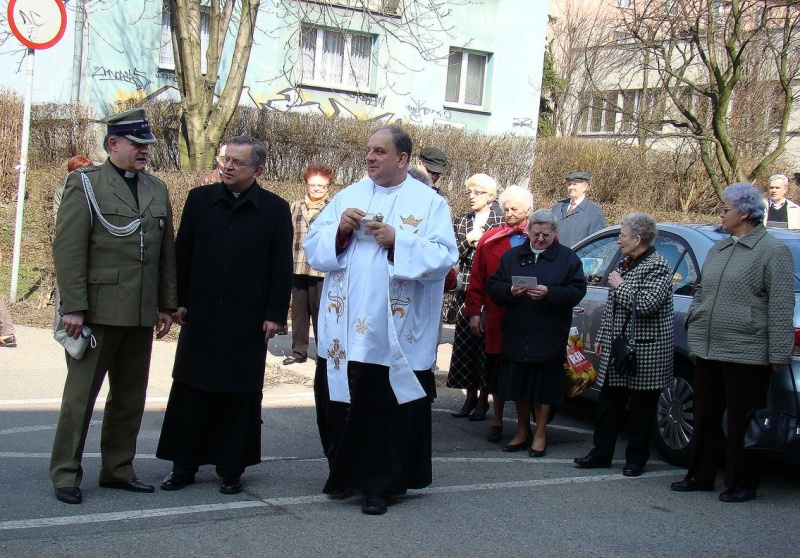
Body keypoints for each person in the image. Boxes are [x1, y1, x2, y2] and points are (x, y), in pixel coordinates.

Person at [305, 126, 458, 515]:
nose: (370, 157)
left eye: (379, 151)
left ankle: (381, 485)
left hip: (395, 332)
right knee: (337, 403)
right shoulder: (348, 195)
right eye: (368, 150)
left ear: (402, 159)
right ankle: (342, 475)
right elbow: (312, 244)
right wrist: (340, 230)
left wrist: (398, 241)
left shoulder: (429, 203)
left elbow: (444, 257)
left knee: (385, 414)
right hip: (344, 326)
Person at [50, 108, 178, 505]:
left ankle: (118, 469)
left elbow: (164, 254)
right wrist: (73, 306)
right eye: (137, 145)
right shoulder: (85, 184)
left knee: (129, 397)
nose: (144, 152)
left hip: (139, 312)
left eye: (147, 145)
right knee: (79, 398)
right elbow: (69, 249)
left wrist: (165, 305)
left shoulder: (156, 188)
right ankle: (66, 473)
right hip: (97, 311)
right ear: (113, 144)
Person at [156, 135, 293, 495]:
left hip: (247, 319)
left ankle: (231, 468)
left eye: (237, 162)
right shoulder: (199, 200)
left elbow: (281, 267)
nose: (227, 166)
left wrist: (275, 314)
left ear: (257, 170)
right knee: (192, 389)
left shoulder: (275, 209)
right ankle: (183, 465)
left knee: (237, 394)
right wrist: (177, 300)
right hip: (200, 313)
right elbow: (181, 252)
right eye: (224, 159)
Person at [671, 183, 795, 503]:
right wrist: (696, 315)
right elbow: (702, 291)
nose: (721, 214)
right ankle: (700, 475)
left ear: (743, 212)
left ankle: (742, 481)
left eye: (725, 209)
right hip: (710, 347)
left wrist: (779, 352)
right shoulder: (719, 248)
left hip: (747, 350)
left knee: (742, 419)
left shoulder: (772, 251)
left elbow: (781, 306)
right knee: (705, 414)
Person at [574, 212, 673, 477]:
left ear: (638, 239)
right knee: (609, 403)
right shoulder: (626, 263)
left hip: (645, 350)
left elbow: (649, 305)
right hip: (618, 347)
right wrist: (604, 339)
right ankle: (601, 453)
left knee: (641, 408)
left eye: (623, 235)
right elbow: (612, 309)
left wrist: (621, 286)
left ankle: (636, 460)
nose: (619, 241)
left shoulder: (658, 265)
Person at [487, 209, 586, 457]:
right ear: (528, 232)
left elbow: (577, 290)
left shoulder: (568, 259)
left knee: (543, 387)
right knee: (519, 385)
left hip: (548, 332)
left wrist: (550, 293)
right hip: (517, 331)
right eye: (535, 234)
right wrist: (510, 291)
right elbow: (493, 286)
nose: (540, 239)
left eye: (546, 235)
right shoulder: (513, 256)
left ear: (555, 234)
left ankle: (540, 432)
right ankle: (522, 431)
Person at [466, 185, 533, 442]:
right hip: (497, 316)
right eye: (505, 209)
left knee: (523, 374)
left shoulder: (539, 236)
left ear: (528, 210)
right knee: (496, 372)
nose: (509, 213)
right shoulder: (490, 238)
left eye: (515, 209)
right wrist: (474, 312)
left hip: (529, 318)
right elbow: (477, 280)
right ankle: (496, 420)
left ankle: (523, 426)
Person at [447, 174, 503, 420]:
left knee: (485, 347)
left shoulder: (501, 220)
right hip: (465, 289)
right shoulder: (462, 221)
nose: (471, 196)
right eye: (470, 192)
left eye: (478, 192)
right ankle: (469, 397)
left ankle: (483, 399)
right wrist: (469, 242)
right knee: (464, 345)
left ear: (491, 196)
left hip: (490, 289)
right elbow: (450, 255)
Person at [283, 164, 334, 365]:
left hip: (321, 269)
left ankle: (324, 351)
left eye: (321, 186)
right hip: (297, 265)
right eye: (312, 185)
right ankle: (299, 351)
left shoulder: (332, 209)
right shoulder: (294, 207)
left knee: (322, 312)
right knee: (299, 312)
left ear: (328, 187)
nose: (316, 189)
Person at [551, 171, 605, 248]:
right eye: (569, 184)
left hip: (577, 258)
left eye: (575, 184)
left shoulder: (594, 212)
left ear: (585, 187)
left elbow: (597, 244)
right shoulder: (557, 207)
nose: (570, 187)